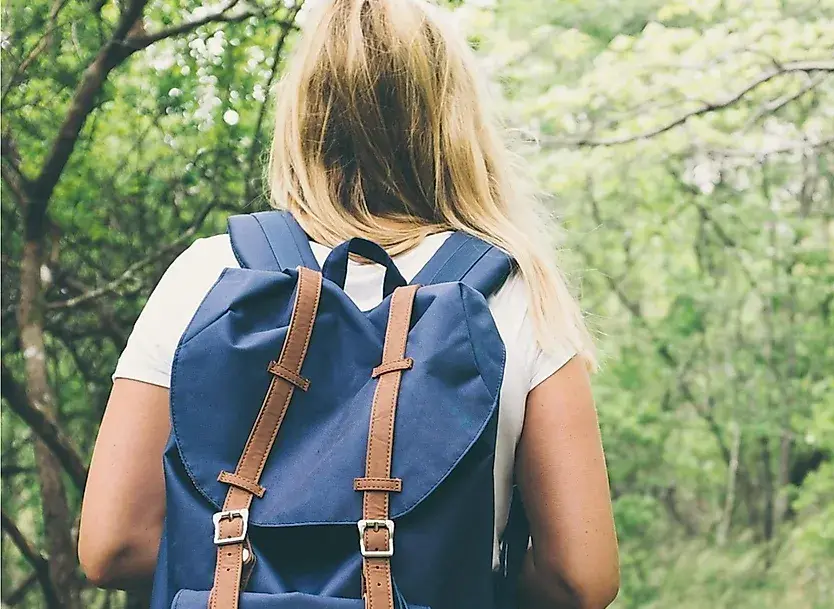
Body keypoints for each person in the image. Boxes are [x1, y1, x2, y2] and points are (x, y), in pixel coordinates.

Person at [77, 1, 619, 607]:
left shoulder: (205, 275)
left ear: (304, 114)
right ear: (454, 119)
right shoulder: (514, 292)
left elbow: (113, 544)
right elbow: (580, 576)